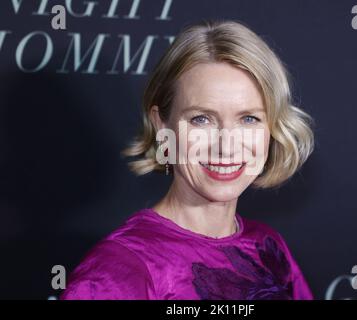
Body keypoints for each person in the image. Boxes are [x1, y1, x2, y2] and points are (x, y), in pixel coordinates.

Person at [60, 19, 315, 300]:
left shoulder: (267, 247)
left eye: (249, 119)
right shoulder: (117, 272)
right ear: (162, 126)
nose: (226, 146)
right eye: (201, 119)